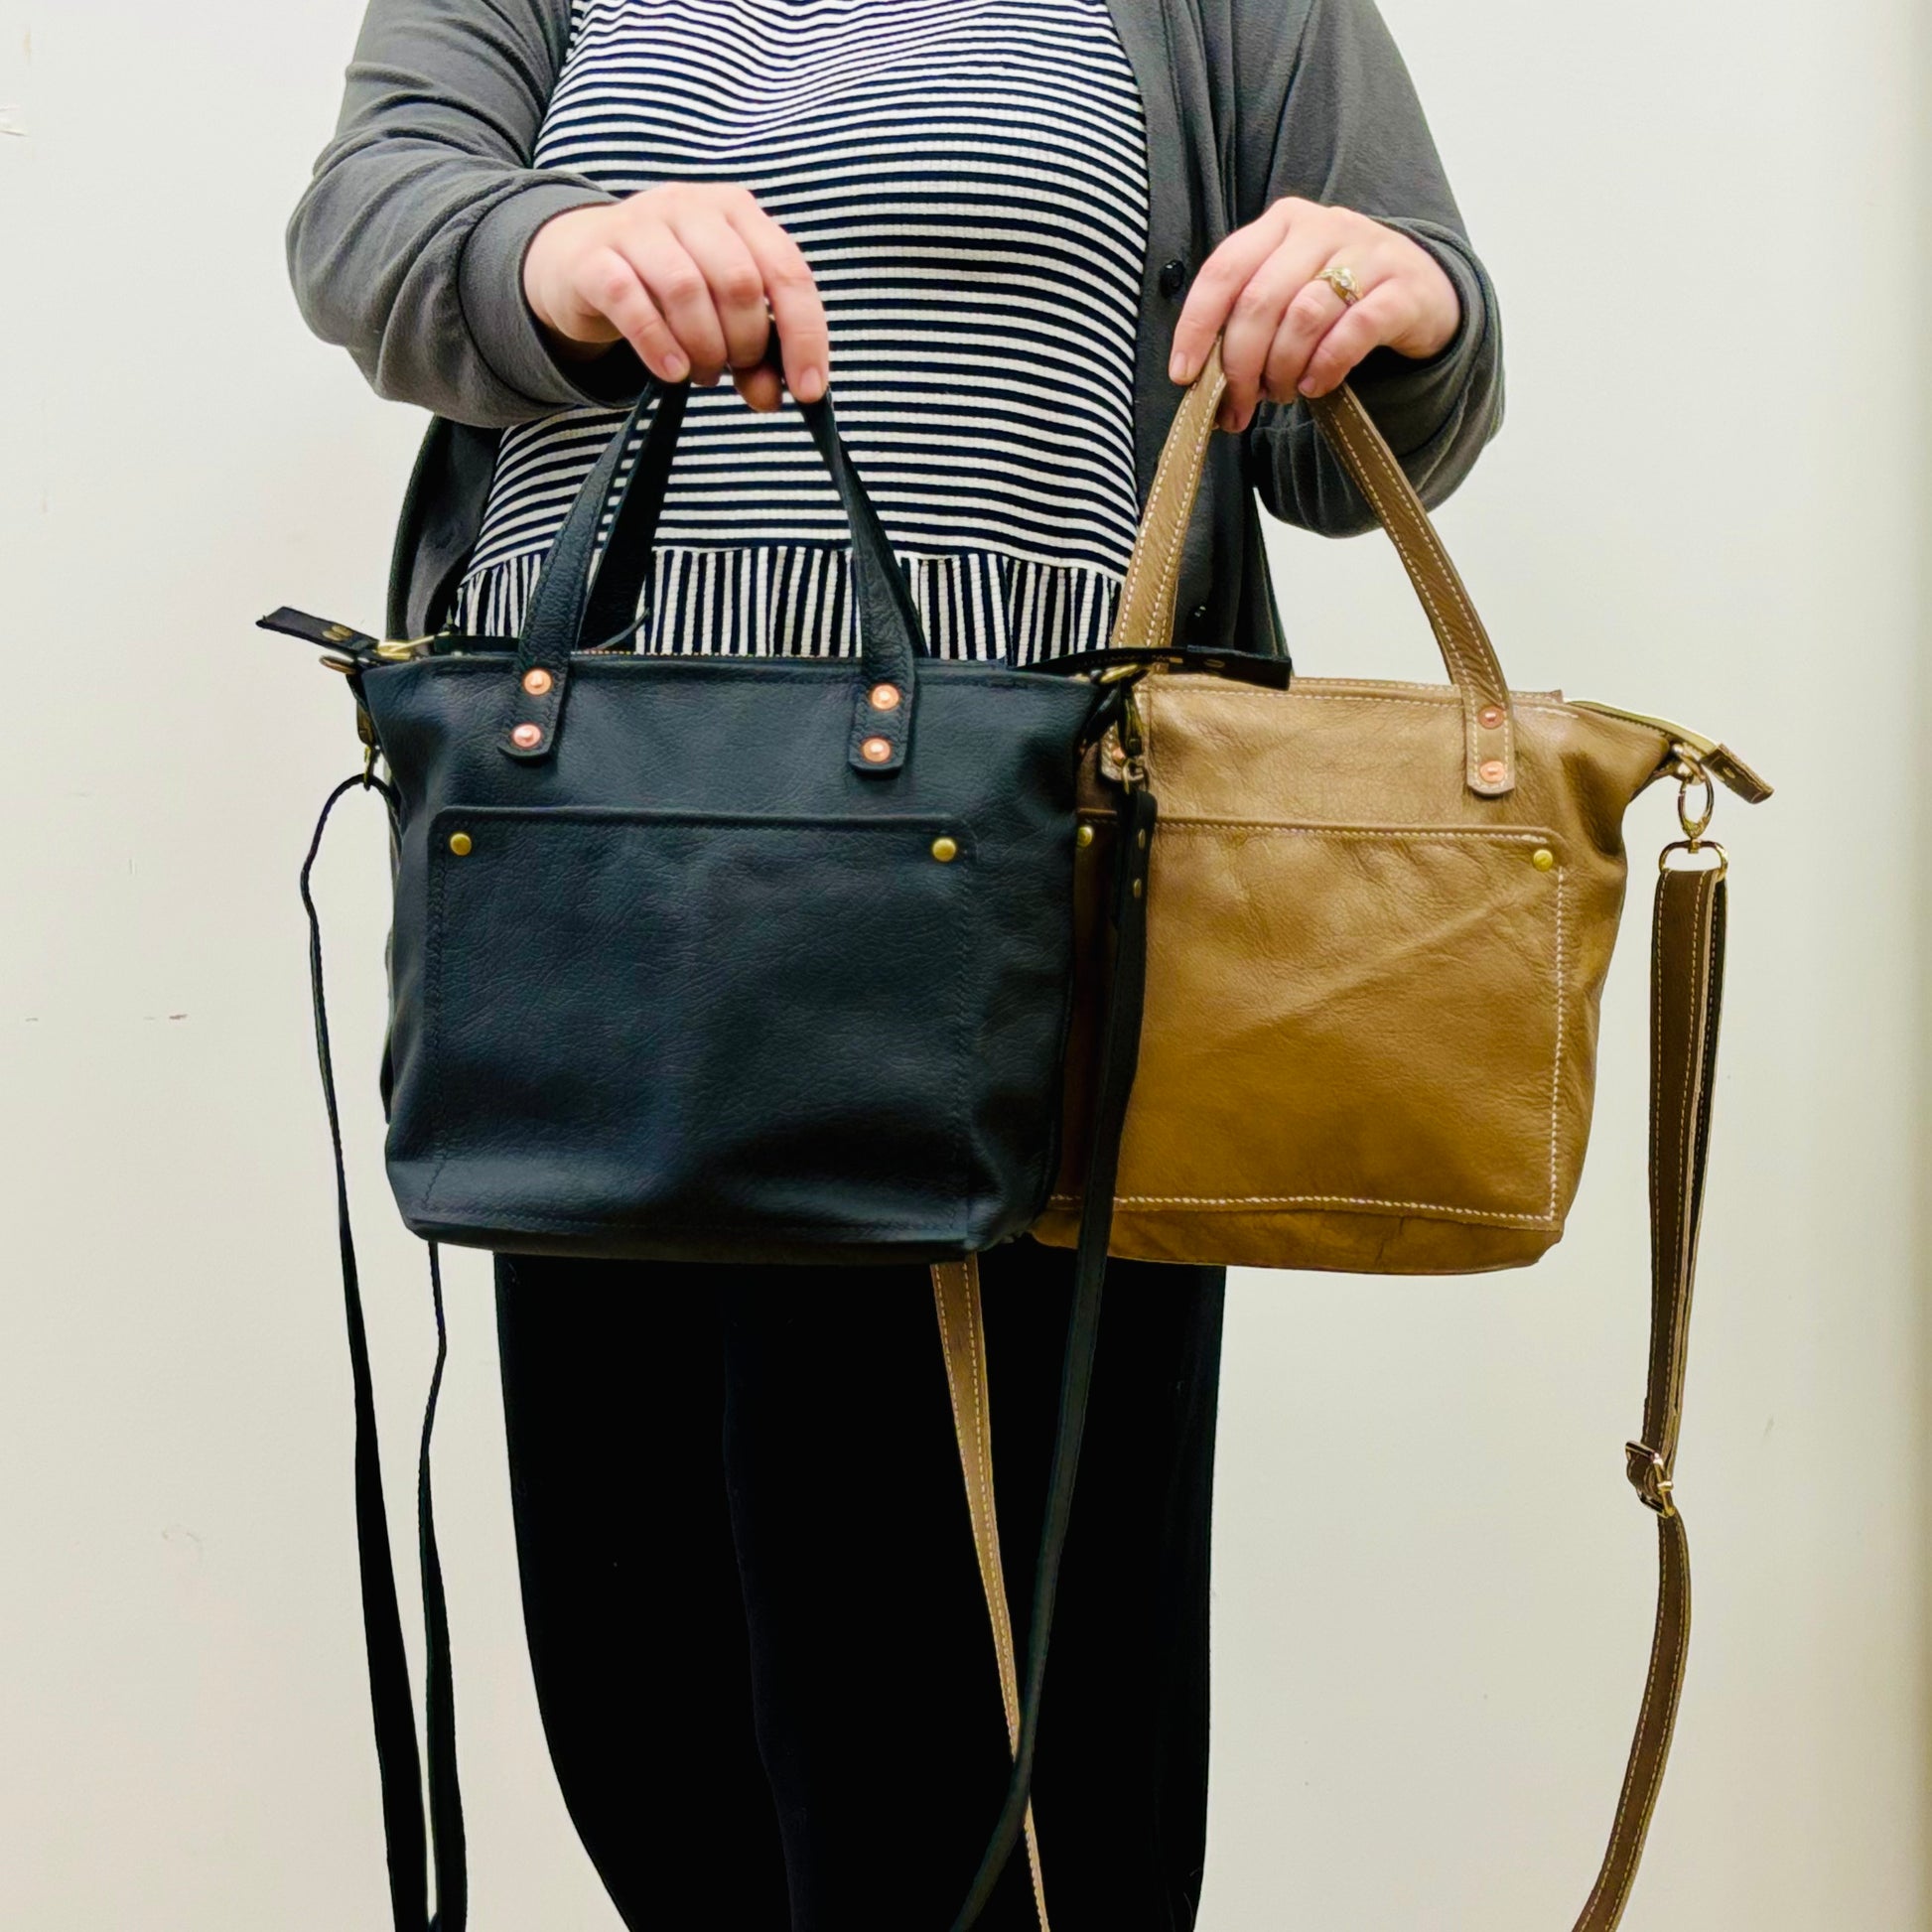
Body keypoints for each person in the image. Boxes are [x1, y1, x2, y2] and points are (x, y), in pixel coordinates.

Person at [287, 2, 1503, 1926]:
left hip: (1021, 918)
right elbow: (369, 218)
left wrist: (1396, 300)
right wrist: (557, 246)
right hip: (596, 893)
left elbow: (1364, 430)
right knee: (657, 1718)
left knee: (999, 1752)